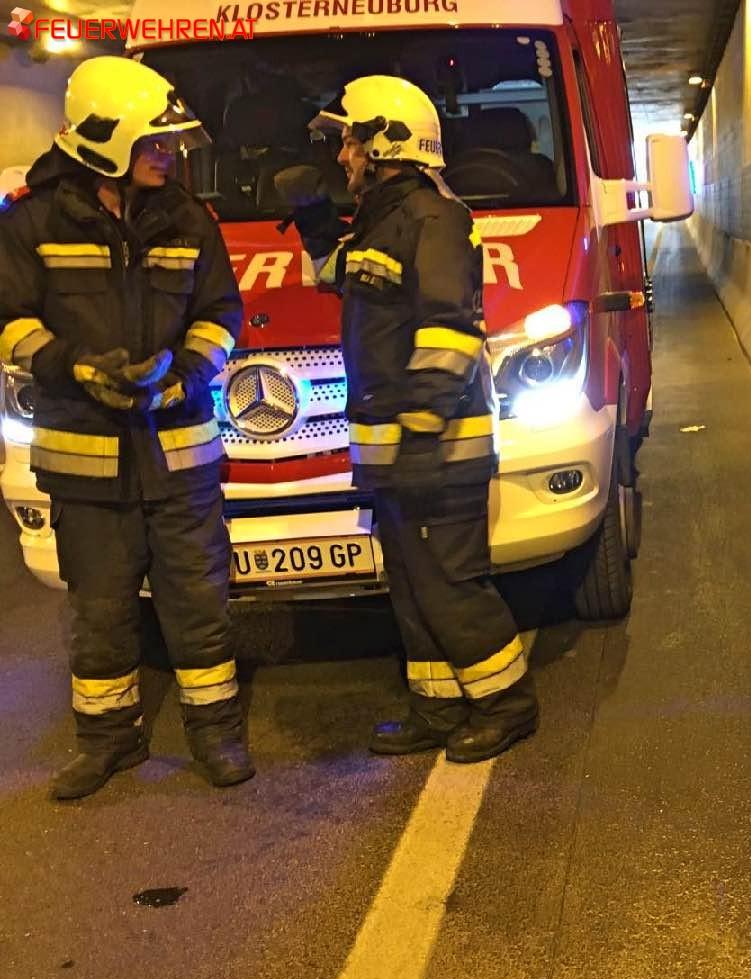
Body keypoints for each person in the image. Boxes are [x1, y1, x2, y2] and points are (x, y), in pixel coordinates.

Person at [0, 56, 251, 799]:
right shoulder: (31, 221)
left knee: (199, 603)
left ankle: (216, 734)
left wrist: (184, 376)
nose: (168, 156)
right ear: (107, 140)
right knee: (101, 608)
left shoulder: (187, 217)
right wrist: (73, 367)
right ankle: (107, 741)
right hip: (85, 458)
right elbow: (9, 322)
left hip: (179, 453)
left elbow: (221, 314)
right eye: (154, 144)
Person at [275, 75, 539, 762]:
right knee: (414, 583)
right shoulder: (383, 220)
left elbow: (449, 328)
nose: (342, 156)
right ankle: (438, 706)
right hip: (396, 448)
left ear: (385, 142)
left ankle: (507, 704)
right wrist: (311, 224)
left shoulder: (434, 218)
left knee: (452, 584)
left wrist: (423, 420)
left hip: (440, 445)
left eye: (351, 142)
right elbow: (347, 276)